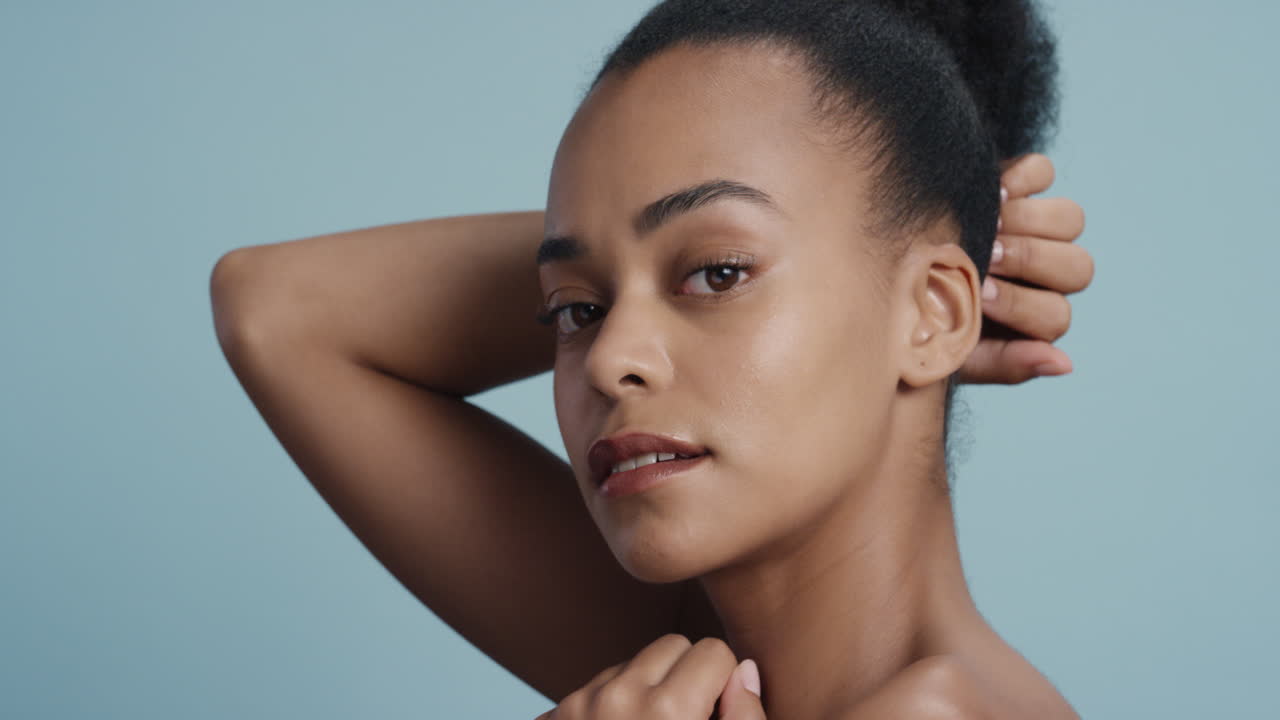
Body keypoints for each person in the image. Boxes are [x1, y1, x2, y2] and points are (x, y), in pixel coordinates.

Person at [210, 0, 1091, 717]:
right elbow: (273, 308)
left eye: (719, 273)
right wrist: (890, 243)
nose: (609, 359)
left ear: (936, 312)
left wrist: (928, 222)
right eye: (577, 310)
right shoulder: (712, 663)